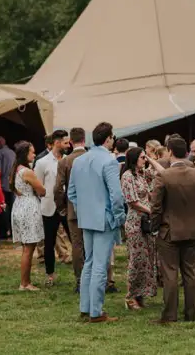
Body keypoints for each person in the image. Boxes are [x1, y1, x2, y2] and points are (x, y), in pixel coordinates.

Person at [149, 134, 195, 324]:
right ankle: (190, 313)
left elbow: (155, 206)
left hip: (168, 230)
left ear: (170, 152)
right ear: (186, 153)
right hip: (192, 229)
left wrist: (154, 227)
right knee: (189, 272)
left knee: (170, 273)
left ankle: (169, 315)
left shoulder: (163, 175)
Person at [68, 122, 126, 323]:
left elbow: (71, 193)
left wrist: (83, 209)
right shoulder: (109, 161)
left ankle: (86, 308)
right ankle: (96, 311)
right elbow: (116, 195)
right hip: (104, 218)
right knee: (100, 265)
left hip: (86, 218)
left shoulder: (79, 161)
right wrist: (119, 217)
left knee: (90, 263)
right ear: (108, 138)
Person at [120, 146, 157, 311]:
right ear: (135, 159)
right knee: (136, 259)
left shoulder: (142, 174)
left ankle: (140, 294)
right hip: (135, 222)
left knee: (147, 259)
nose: (145, 160)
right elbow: (132, 201)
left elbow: (161, 173)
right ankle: (130, 296)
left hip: (146, 221)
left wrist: (151, 160)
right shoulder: (127, 176)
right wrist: (151, 211)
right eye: (142, 157)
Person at [55, 127, 89, 293]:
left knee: (77, 245)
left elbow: (58, 188)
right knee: (93, 244)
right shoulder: (91, 158)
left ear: (70, 142)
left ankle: (80, 280)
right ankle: (97, 279)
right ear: (84, 140)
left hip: (72, 208)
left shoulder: (65, 161)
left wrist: (62, 206)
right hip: (92, 208)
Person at [34, 130, 68, 285]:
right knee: (49, 242)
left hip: (68, 206)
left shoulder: (68, 160)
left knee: (75, 239)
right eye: (65, 142)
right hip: (49, 206)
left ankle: (80, 273)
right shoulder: (42, 162)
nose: (68, 144)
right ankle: (50, 274)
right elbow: (38, 185)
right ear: (56, 142)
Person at [11, 140, 45, 291]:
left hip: (19, 205)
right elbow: (42, 190)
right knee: (29, 248)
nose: (34, 154)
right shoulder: (27, 172)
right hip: (29, 207)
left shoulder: (15, 170)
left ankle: (25, 281)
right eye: (32, 152)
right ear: (25, 154)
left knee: (27, 247)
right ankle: (25, 283)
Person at [0, 136, 15, 239]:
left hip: (2, 185)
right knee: (12, 209)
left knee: (2, 209)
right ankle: (13, 231)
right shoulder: (12, 153)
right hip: (12, 185)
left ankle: (3, 232)